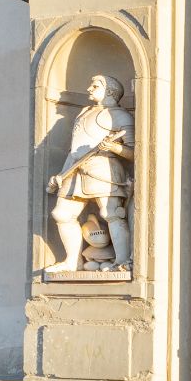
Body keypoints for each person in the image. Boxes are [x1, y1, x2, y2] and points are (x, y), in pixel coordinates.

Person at [46, 75, 135, 273]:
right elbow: (74, 150)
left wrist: (113, 147)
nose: (89, 88)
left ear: (110, 91)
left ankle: (121, 262)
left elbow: (133, 152)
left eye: (95, 85)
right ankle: (72, 261)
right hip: (75, 169)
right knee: (61, 214)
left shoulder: (120, 116)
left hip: (104, 168)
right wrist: (61, 174)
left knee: (111, 214)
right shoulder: (84, 112)